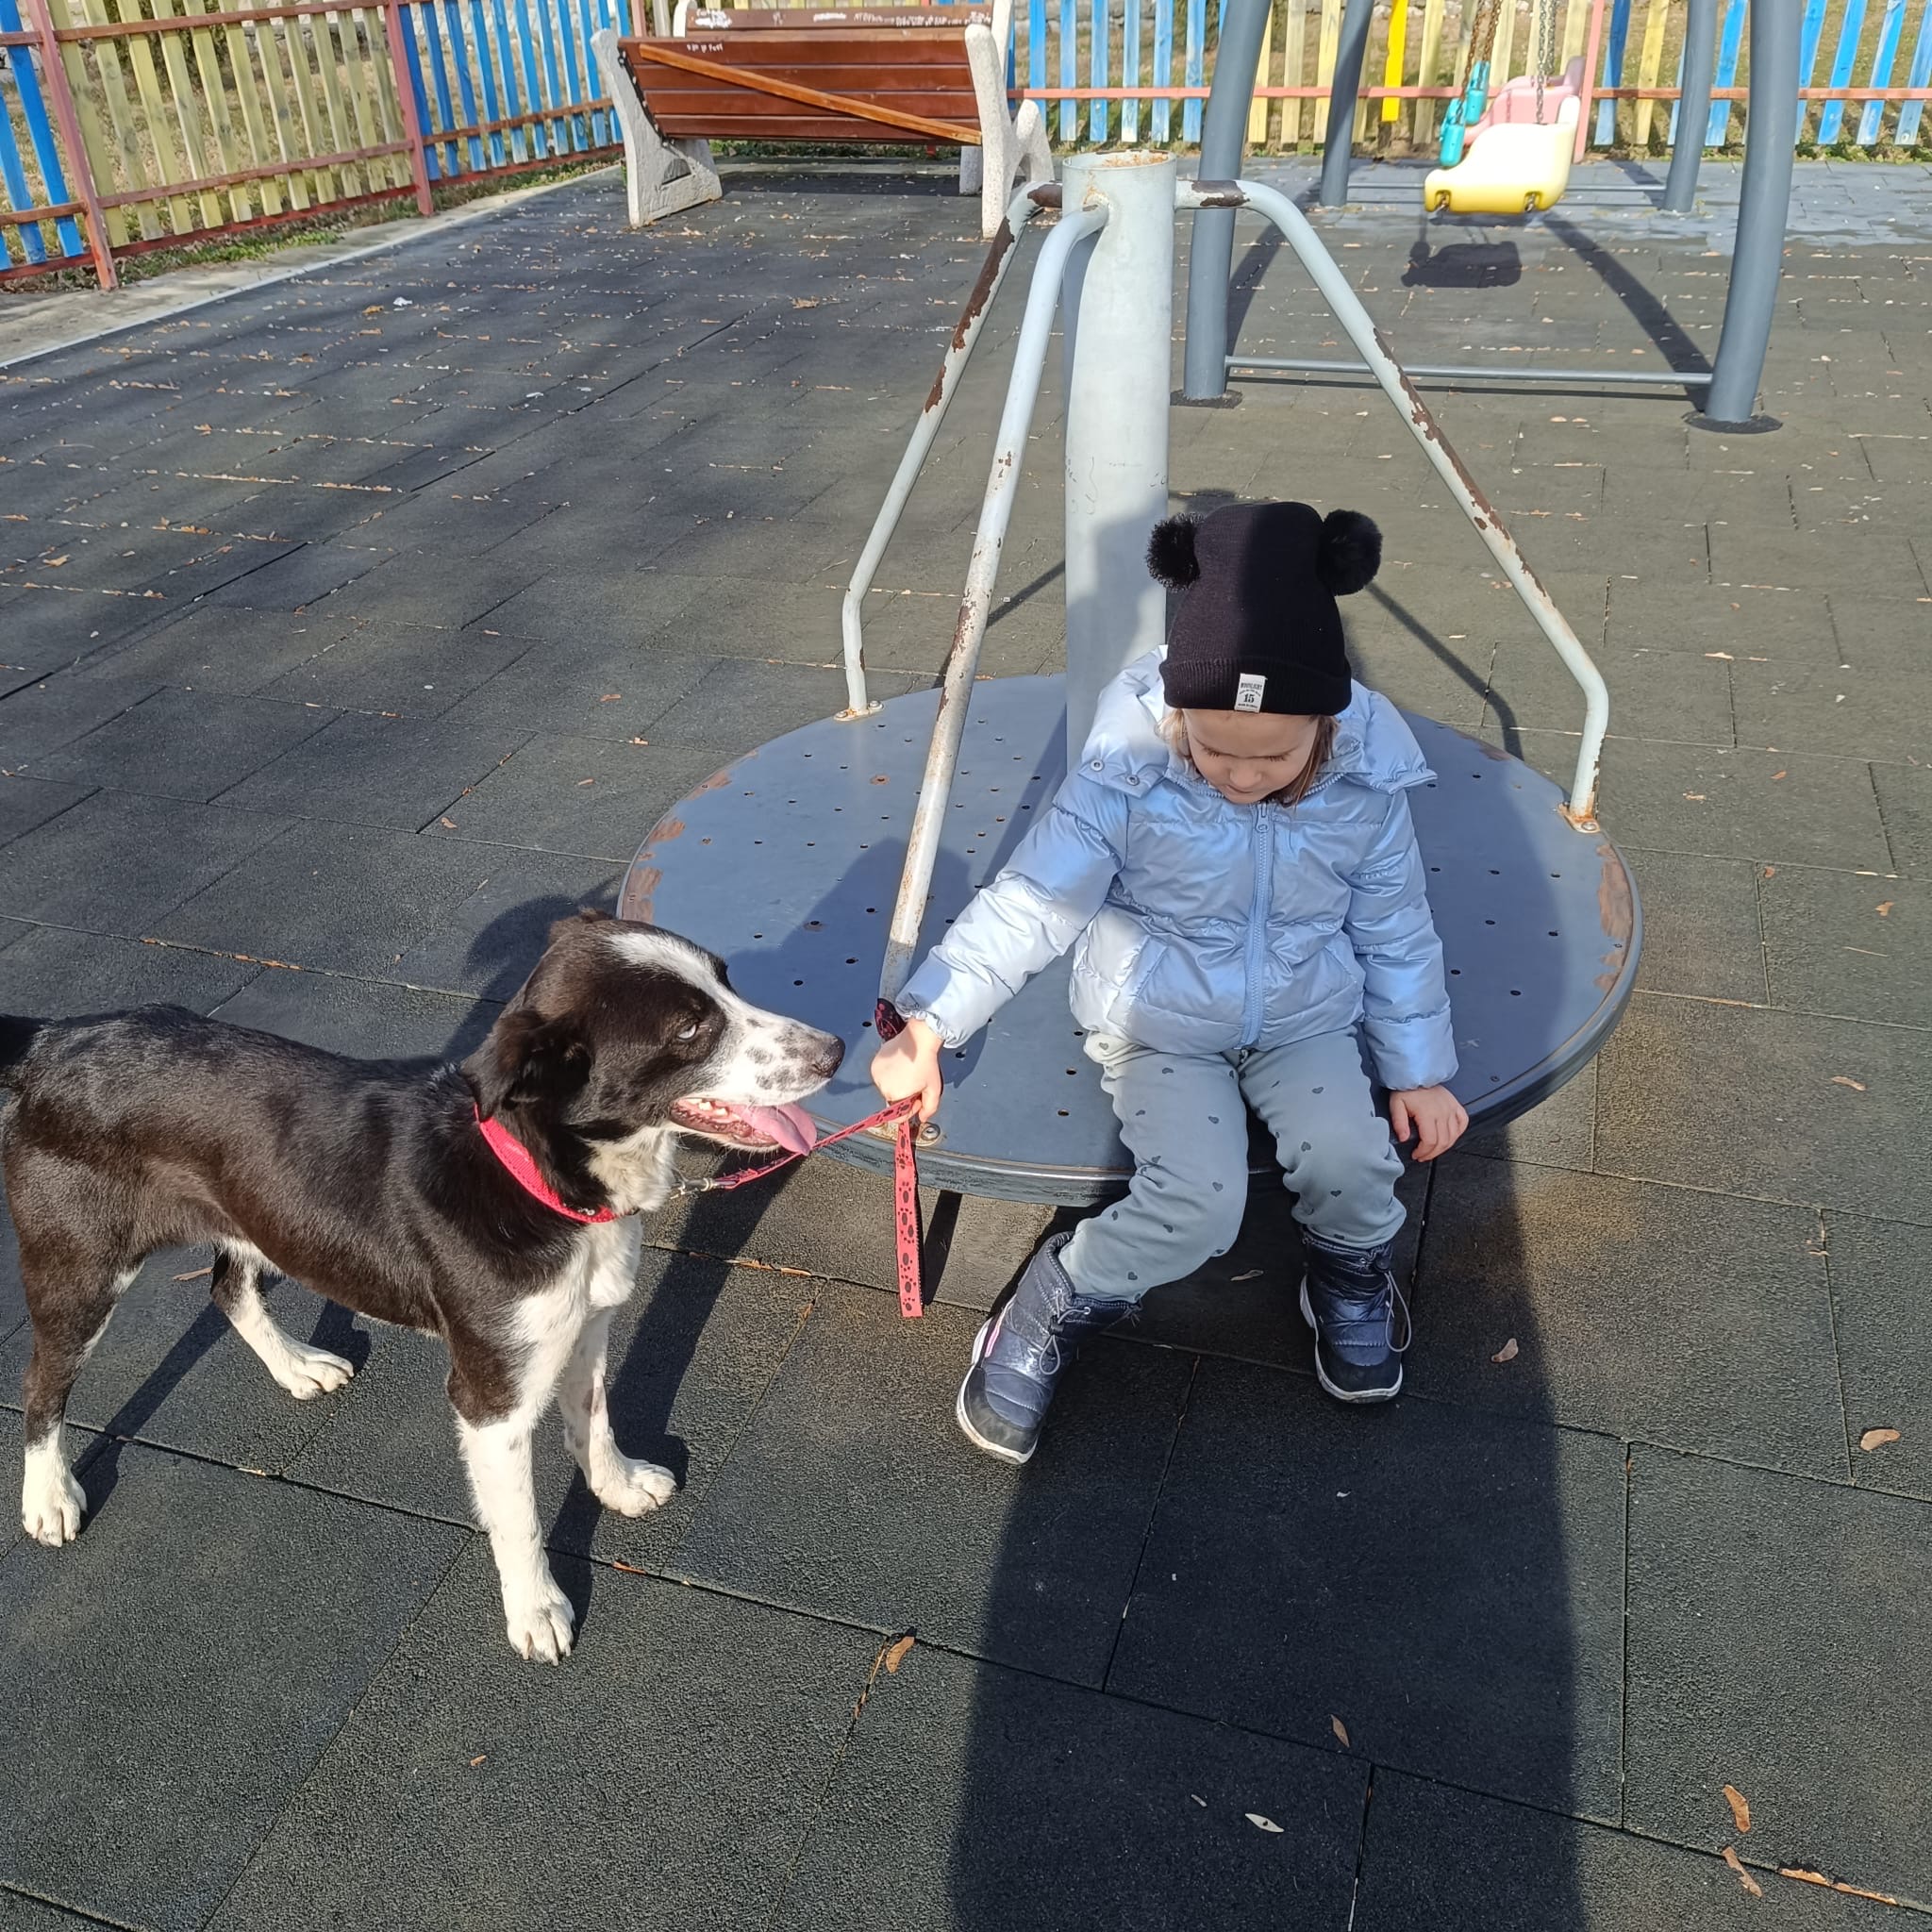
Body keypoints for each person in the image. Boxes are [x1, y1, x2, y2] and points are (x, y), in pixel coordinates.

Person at [869, 499, 1468, 1464]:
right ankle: (1062, 1289)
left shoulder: (1364, 787)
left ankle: (1348, 1273)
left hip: (1303, 1017)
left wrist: (1417, 1068)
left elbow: (1395, 927)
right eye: (1215, 747)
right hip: (1157, 1022)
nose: (1241, 775)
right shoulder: (1128, 775)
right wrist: (931, 1020)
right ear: (1177, 712)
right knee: (1198, 1202)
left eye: (1273, 755)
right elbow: (1033, 902)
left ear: (1326, 724)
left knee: (1354, 1161)